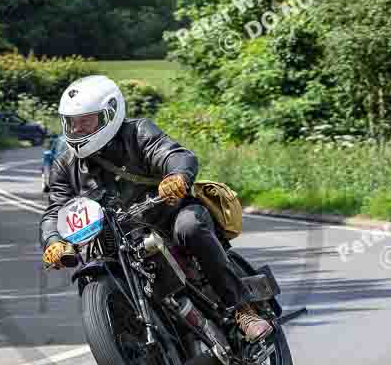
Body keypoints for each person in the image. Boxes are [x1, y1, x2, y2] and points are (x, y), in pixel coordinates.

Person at [40, 75, 272, 342]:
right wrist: (53, 240)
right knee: (92, 272)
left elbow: (173, 154)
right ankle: (132, 343)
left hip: (167, 216)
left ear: (110, 115)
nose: (78, 129)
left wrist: (177, 177)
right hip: (119, 239)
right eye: (72, 123)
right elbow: (56, 209)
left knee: (191, 228)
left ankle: (244, 310)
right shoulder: (64, 165)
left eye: (86, 121)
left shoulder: (138, 133)